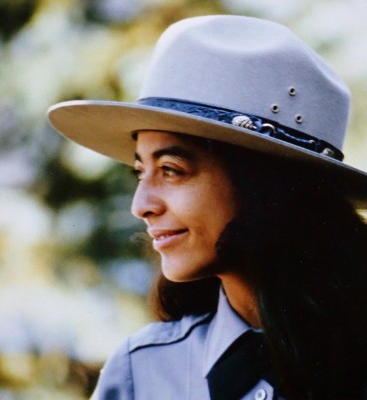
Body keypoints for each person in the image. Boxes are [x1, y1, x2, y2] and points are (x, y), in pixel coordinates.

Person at [47, 15, 367, 400]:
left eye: (171, 170)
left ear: (265, 185)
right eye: (139, 172)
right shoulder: (141, 373)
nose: (141, 205)